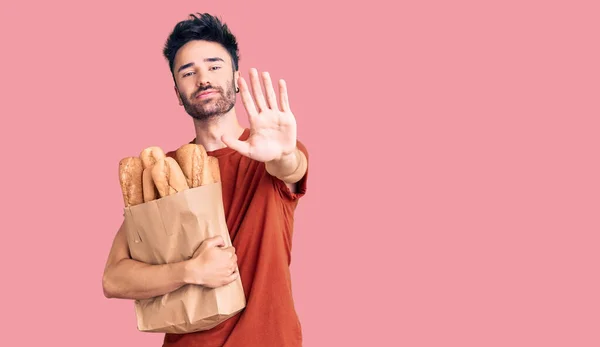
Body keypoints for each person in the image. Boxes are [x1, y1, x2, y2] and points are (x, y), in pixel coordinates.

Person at [102, 12, 309, 347]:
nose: (203, 78)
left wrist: (283, 154)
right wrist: (190, 270)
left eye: (214, 66)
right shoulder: (160, 171)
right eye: (188, 72)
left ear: (237, 77)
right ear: (176, 91)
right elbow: (114, 278)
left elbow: (291, 169)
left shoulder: (272, 154)